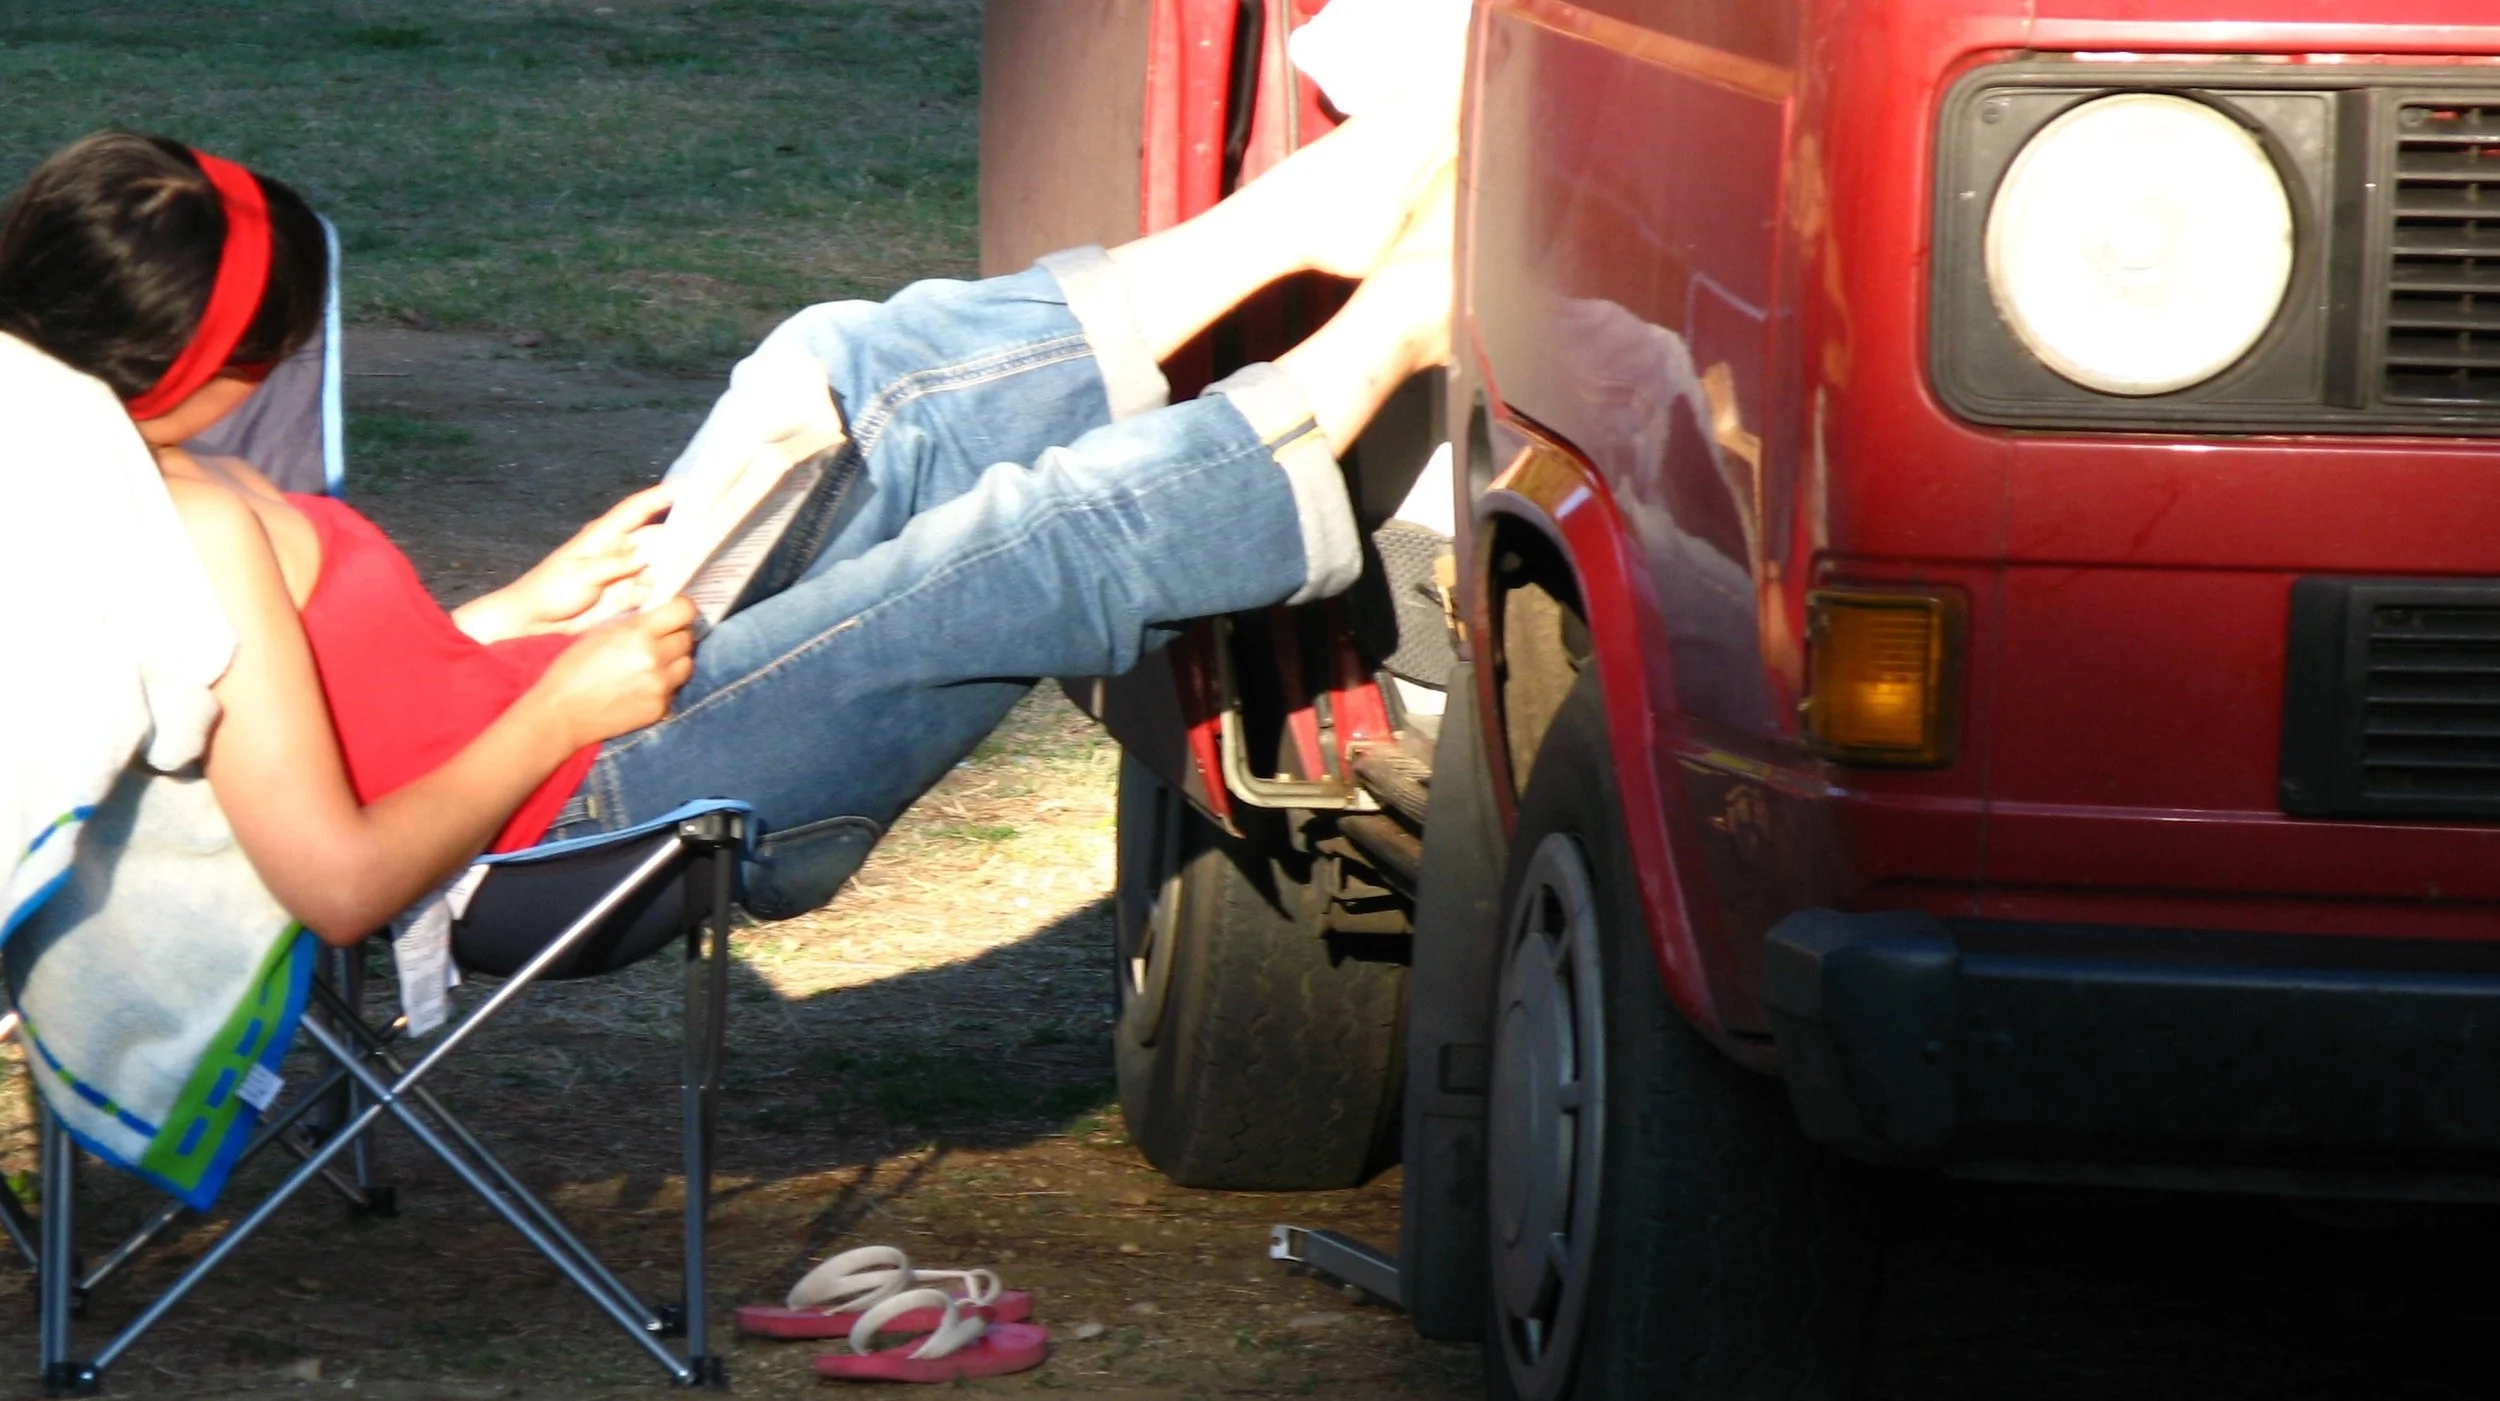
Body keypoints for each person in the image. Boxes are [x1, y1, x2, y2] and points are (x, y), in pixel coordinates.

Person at [0, 108, 1456, 945]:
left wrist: (508, 621)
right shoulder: (185, 522)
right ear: (211, 370)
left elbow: (267, 704)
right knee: (1024, 551)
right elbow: (337, 886)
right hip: (562, 832)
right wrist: (556, 701)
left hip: (553, 717)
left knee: (829, 379)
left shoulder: (122, 471)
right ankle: (1384, 337)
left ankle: (1298, 220)